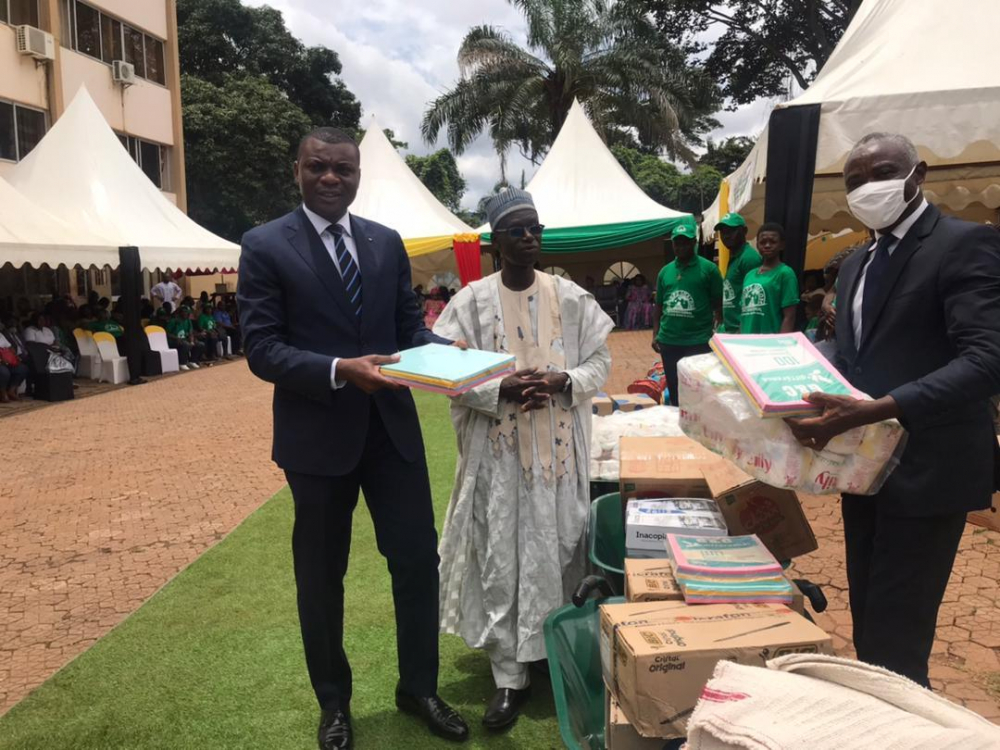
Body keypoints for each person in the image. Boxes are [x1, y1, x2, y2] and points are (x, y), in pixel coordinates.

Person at [237, 126, 470, 749]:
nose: (332, 178)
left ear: (359, 173)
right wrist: (341, 370)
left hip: (390, 432)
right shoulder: (264, 245)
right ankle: (334, 703)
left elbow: (406, 331)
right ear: (299, 170)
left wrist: (453, 355)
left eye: (344, 168)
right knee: (321, 575)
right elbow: (261, 349)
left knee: (418, 561)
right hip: (316, 441)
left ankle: (418, 688)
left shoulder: (384, 243)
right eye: (320, 167)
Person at [786, 132, 1000, 689]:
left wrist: (872, 409)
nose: (867, 189)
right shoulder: (857, 264)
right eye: (854, 182)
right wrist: (784, 380)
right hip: (865, 471)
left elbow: (987, 360)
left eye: (882, 173)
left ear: (918, 173)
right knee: (870, 626)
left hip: (930, 469)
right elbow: (855, 359)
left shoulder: (964, 244)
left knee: (899, 640)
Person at [434, 188, 613, 731]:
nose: (530, 237)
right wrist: (499, 388)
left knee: (561, 551)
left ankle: (557, 661)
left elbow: (600, 357)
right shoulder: (469, 303)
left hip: (558, 458)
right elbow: (444, 371)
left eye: (535, 228)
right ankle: (510, 679)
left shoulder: (571, 296)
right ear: (496, 242)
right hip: (501, 462)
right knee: (502, 559)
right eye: (517, 230)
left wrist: (565, 380)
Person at [652, 224, 723, 406]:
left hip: (698, 342)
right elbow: (658, 305)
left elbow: (718, 304)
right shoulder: (665, 272)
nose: (681, 246)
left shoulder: (709, 269)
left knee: (698, 389)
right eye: (677, 243)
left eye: (685, 242)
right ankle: (678, 429)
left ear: (694, 242)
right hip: (669, 341)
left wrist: (718, 331)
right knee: (675, 389)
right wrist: (655, 334)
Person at [738, 223, 799, 334]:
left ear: (782, 245)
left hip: (770, 343)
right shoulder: (749, 275)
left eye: (772, 242)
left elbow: (789, 316)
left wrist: (781, 344)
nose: (767, 245)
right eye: (762, 242)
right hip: (746, 342)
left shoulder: (785, 273)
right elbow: (744, 313)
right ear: (757, 245)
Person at [716, 212, 762, 332]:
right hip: (729, 329)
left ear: (744, 231)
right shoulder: (735, 257)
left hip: (741, 330)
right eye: (723, 232)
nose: (726, 236)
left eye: (731, 231)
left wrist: (742, 330)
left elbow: (755, 299)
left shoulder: (749, 258)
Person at [164, 305, 202, 370]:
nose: (186, 314)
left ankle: (192, 361)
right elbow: (167, 333)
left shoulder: (188, 321)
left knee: (199, 344)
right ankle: (182, 363)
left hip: (184, 339)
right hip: (173, 340)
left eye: (187, 312)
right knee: (185, 344)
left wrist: (192, 340)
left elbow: (190, 332)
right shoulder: (174, 321)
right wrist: (176, 338)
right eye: (184, 312)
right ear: (180, 312)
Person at [0, 321, 30, 402]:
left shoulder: (1, 335)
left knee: (23, 369)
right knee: (4, 372)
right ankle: (3, 393)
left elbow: (10, 347)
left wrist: (14, 356)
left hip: (7, 360)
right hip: (1, 362)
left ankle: (11, 391)